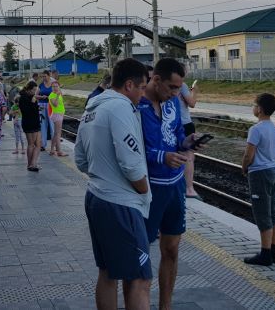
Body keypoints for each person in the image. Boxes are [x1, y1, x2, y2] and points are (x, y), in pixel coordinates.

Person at [74, 58, 151, 310]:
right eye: (142, 87)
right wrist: (143, 188)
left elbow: (80, 159)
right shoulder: (121, 108)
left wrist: (103, 174)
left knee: (107, 273)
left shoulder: (92, 107)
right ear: (129, 84)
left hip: (96, 197)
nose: (143, 94)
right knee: (139, 278)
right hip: (121, 203)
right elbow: (130, 162)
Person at [138, 58, 199, 310]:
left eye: (179, 88)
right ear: (156, 80)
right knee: (141, 253)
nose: (176, 94)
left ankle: (166, 306)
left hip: (174, 187)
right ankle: (140, 301)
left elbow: (175, 136)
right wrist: (162, 156)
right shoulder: (135, 106)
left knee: (172, 249)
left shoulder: (173, 102)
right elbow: (133, 149)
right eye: (172, 88)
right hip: (148, 189)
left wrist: (188, 142)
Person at [241, 93, 275, 266]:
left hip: (260, 173)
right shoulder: (274, 127)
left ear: (260, 109)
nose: (253, 107)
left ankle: (265, 254)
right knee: (274, 212)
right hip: (274, 170)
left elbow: (249, 154)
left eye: (254, 104)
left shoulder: (255, 129)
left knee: (262, 213)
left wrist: (244, 167)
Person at [178, 78, 200, 199]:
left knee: (183, 154)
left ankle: (184, 185)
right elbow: (192, 103)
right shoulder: (182, 85)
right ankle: (189, 188)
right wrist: (194, 91)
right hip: (185, 123)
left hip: (176, 123)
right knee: (189, 156)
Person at [19, 80, 42, 172]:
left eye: (36, 90)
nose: (34, 92)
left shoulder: (32, 97)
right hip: (29, 123)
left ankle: (33, 163)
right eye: (33, 90)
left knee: (38, 144)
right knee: (31, 144)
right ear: (28, 89)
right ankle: (30, 165)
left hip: (36, 122)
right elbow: (26, 112)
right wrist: (33, 102)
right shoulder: (23, 98)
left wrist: (36, 105)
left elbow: (34, 109)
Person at [36, 70, 54, 151]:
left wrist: (50, 97)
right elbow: (35, 95)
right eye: (42, 77)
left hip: (51, 106)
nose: (43, 78)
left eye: (45, 76)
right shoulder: (41, 85)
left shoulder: (53, 84)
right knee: (42, 125)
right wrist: (41, 97)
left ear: (49, 75)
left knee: (52, 125)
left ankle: (54, 146)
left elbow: (58, 94)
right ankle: (43, 144)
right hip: (41, 106)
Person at [48, 81, 67, 157]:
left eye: (56, 86)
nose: (55, 88)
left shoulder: (58, 93)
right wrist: (57, 95)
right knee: (58, 134)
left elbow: (61, 103)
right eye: (53, 86)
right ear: (51, 87)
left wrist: (59, 91)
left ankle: (52, 150)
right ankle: (59, 151)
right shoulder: (52, 95)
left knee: (56, 133)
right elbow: (55, 105)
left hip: (60, 114)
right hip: (57, 115)